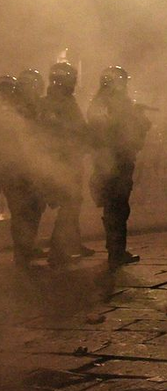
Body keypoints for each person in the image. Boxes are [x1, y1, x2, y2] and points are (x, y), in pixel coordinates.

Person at [87, 66, 152, 270]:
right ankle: (116, 251)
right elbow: (128, 131)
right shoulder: (115, 105)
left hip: (106, 162)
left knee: (112, 206)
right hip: (117, 161)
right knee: (118, 206)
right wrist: (138, 116)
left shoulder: (98, 103)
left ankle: (114, 249)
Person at [41, 62, 93, 266]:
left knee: (74, 202)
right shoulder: (55, 103)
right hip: (63, 163)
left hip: (70, 161)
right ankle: (58, 251)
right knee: (70, 204)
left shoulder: (64, 101)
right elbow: (59, 134)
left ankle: (73, 244)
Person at [0, 74, 45, 267]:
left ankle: (27, 247)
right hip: (14, 170)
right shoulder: (8, 115)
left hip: (21, 169)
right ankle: (22, 253)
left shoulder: (19, 112)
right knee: (22, 212)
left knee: (31, 209)